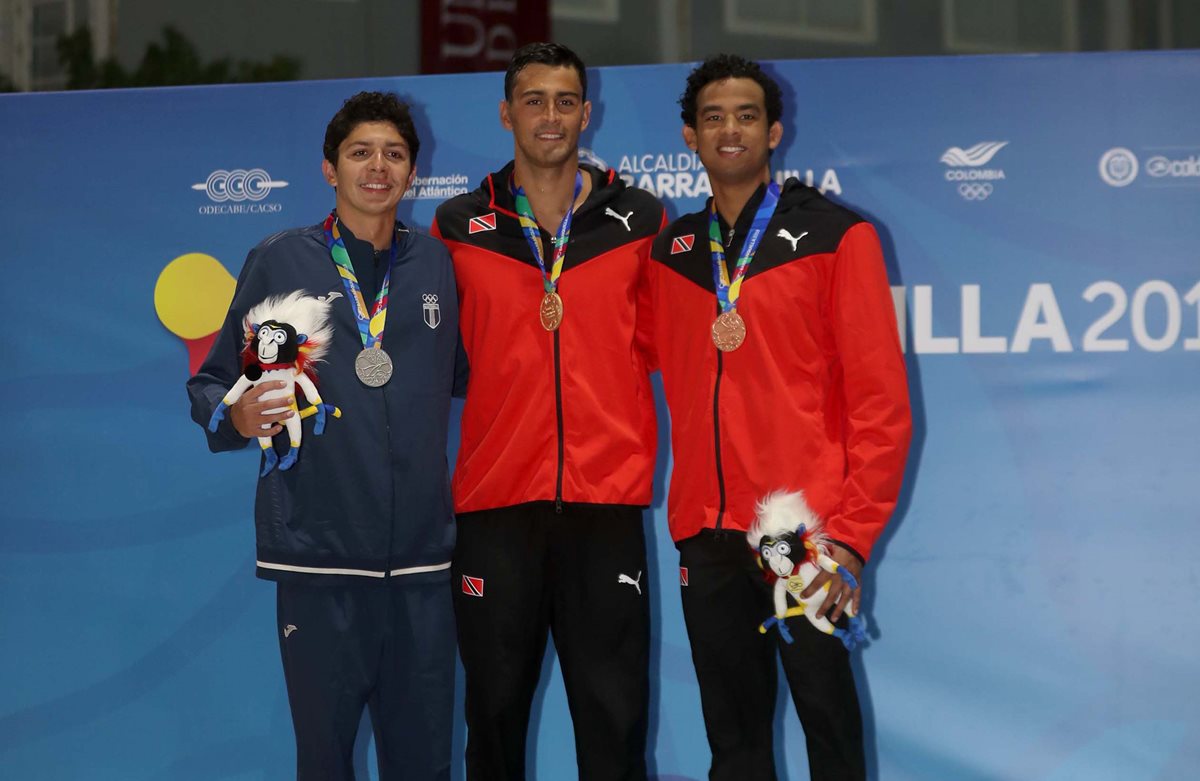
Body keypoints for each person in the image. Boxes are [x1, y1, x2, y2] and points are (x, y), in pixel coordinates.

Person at [643, 55, 912, 780]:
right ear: (689, 137)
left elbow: (882, 406)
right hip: (707, 532)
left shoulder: (838, 236)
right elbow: (614, 362)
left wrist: (850, 541)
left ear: (775, 131)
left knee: (829, 728)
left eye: (747, 115)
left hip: (804, 535)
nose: (730, 129)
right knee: (733, 744)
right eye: (713, 117)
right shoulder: (668, 255)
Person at [187, 91, 466, 781]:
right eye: (361, 152)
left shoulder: (435, 265)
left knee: (427, 762)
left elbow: (459, 377)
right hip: (319, 560)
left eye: (395, 154)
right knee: (325, 763)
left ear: (412, 172)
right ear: (329, 169)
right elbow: (215, 382)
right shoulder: (283, 261)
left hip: (422, 567)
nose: (379, 166)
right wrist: (237, 416)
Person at [431, 42, 665, 781]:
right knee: (493, 719)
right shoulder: (458, 225)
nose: (550, 115)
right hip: (495, 506)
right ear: (506, 113)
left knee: (615, 721)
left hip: (606, 506)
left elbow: (678, 350)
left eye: (566, 101)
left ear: (586, 113)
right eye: (534, 100)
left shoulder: (641, 220)